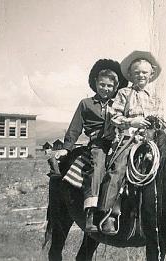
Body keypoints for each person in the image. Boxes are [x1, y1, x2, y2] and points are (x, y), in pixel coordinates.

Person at [54, 59, 128, 233]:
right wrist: (66, 147)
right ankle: (91, 212)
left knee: (123, 169)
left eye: (110, 86)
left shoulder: (119, 104)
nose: (105, 88)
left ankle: (113, 213)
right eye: (102, 84)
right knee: (97, 166)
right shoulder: (86, 104)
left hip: (119, 143)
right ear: (95, 83)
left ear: (116, 87)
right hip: (99, 144)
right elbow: (75, 127)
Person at [98, 50, 162, 234]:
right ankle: (108, 214)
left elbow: (160, 120)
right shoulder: (124, 93)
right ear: (131, 75)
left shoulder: (156, 98)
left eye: (144, 72)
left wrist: (153, 129)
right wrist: (131, 122)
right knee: (118, 169)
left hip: (151, 141)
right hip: (128, 139)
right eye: (137, 73)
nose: (141, 75)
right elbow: (114, 116)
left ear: (151, 74)